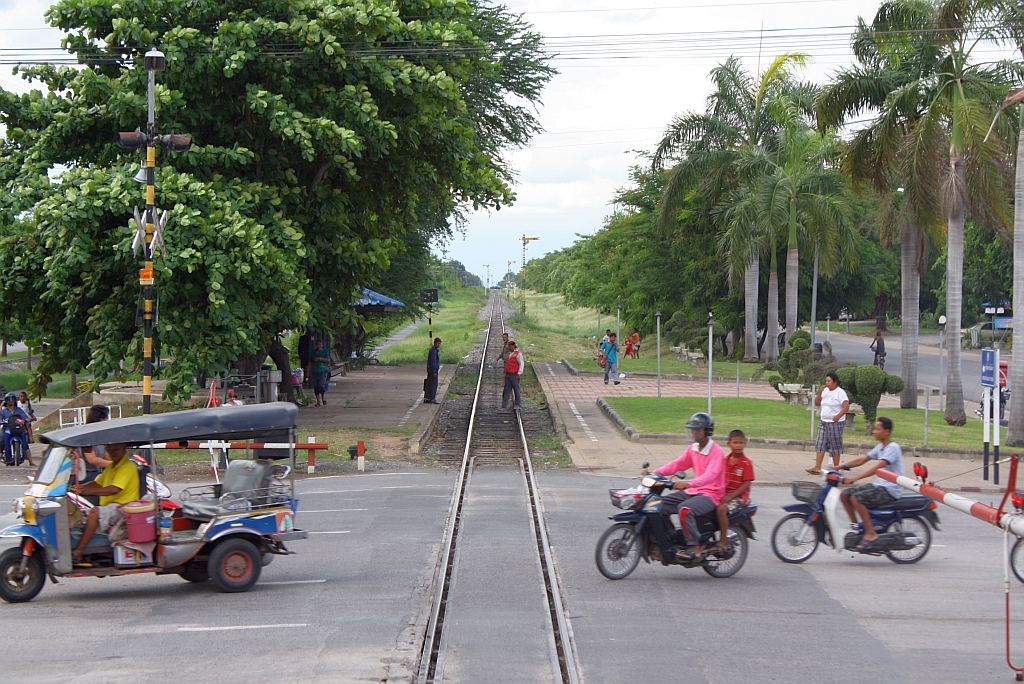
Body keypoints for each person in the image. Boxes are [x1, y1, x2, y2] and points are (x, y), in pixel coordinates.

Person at [643, 412, 725, 564]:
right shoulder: (693, 449)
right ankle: (671, 539)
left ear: (707, 431)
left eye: (697, 430)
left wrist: (689, 484)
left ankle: (694, 547)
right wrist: (654, 473)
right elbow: (677, 464)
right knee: (658, 505)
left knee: (685, 509)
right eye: (693, 429)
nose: (694, 433)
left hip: (711, 494)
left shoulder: (716, 452)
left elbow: (711, 475)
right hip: (694, 491)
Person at [837, 416, 904, 550]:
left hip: (891, 489)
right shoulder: (880, 447)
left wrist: (855, 478)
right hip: (880, 485)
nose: (874, 431)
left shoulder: (893, 448)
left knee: (857, 498)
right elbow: (863, 459)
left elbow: (878, 468)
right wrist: (839, 467)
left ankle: (871, 533)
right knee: (845, 494)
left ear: (887, 432)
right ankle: (857, 527)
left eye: (877, 429)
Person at [72, 442, 139, 562]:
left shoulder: (127, 467)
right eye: (110, 449)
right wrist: (79, 487)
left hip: (123, 507)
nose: (113, 452)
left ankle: (78, 551)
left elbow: (114, 489)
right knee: (79, 514)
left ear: (124, 448)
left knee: (95, 512)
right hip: (111, 505)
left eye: (116, 449)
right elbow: (98, 483)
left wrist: (90, 491)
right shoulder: (112, 467)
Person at [715, 429, 755, 552]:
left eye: (741, 443)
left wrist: (731, 496)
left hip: (738, 498)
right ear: (729, 444)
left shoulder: (746, 463)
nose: (738, 445)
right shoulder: (723, 461)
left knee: (722, 509)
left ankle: (723, 541)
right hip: (724, 494)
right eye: (735, 442)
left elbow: (746, 484)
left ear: (745, 444)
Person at [809, 371, 850, 475]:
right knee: (820, 442)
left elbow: (846, 406)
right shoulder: (825, 391)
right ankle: (817, 467)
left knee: (835, 445)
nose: (827, 383)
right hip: (824, 421)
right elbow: (817, 403)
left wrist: (838, 416)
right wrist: (820, 392)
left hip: (835, 422)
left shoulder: (840, 392)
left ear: (835, 382)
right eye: (826, 381)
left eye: (829, 381)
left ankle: (836, 468)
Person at [78, 404, 112, 504]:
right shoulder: (87, 437)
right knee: (104, 479)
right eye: (106, 418)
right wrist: (113, 464)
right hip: (85, 475)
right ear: (101, 419)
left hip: (96, 472)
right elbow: (92, 459)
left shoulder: (101, 437)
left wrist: (120, 462)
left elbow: (106, 455)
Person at [1, 392, 32, 466]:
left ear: (15, 401)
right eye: (9, 399)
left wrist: (27, 419)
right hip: (7, 428)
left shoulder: (19, 410)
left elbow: (25, 417)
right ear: (6, 401)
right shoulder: (4, 411)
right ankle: (2, 454)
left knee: (25, 441)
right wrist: (2, 421)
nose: (11, 401)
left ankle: (31, 461)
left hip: (18, 428)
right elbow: (0, 418)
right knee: (1, 439)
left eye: (12, 399)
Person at [307, 339, 331, 406]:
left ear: (322, 345)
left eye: (320, 345)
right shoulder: (312, 353)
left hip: (323, 371)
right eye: (318, 345)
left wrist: (320, 358)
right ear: (315, 345)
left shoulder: (325, 351)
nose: (319, 346)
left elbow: (328, 359)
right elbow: (310, 362)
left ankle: (323, 398)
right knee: (316, 386)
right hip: (315, 371)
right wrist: (308, 371)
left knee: (321, 385)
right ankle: (318, 401)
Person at [501, 339, 525, 410]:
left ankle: (518, 404)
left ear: (514, 346)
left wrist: (519, 373)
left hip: (515, 375)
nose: (509, 347)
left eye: (510, 346)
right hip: (508, 375)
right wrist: (505, 375)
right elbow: (507, 365)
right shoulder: (509, 354)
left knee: (516, 389)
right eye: (509, 346)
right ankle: (504, 405)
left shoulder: (518, 354)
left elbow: (521, 363)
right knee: (507, 390)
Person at [425, 337, 442, 404]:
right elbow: (433, 362)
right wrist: (434, 371)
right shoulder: (433, 351)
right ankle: (432, 398)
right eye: (438, 343)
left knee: (429, 384)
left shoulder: (433, 350)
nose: (439, 345)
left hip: (431, 370)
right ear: (435, 343)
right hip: (433, 371)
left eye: (440, 343)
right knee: (433, 384)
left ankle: (428, 398)